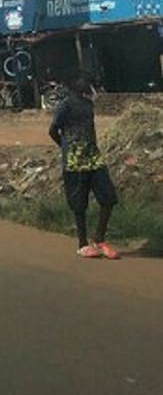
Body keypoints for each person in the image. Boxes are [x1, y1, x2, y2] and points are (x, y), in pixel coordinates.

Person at [48, 76, 120, 259]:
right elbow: (53, 130)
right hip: (74, 160)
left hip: (93, 157)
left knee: (108, 197)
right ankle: (82, 243)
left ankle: (99, 238)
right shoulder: (65, 105)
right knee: (79, 204)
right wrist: (67, 148)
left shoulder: (88, 105)